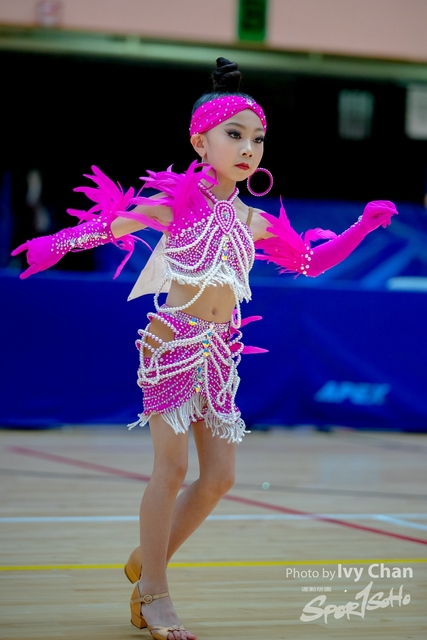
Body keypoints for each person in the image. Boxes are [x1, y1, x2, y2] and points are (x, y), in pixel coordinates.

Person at [12, 58, 398, 640]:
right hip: (171, 344)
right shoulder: (177, 204)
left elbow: (310, 261)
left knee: (219, 477)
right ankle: (154, 594)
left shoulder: (254, 220)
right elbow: (110, 227)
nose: (248, 148)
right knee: (171, 468)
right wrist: (53, 243)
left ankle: (146, 559)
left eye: (258, 138)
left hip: (220, 353)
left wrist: (361, 228)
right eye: (235, 135)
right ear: (200, 141)